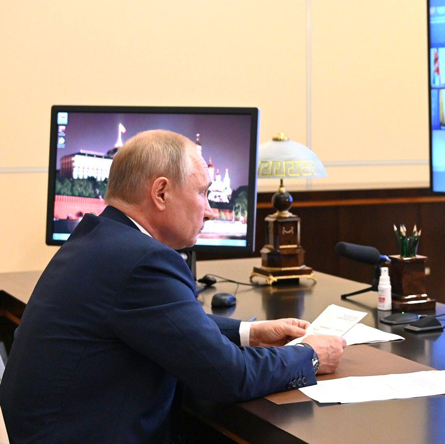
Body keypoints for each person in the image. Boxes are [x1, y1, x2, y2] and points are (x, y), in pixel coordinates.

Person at [0, 130, 346, 442]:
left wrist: (250, 332)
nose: (210, 210)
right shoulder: (143, 261)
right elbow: (228, 376)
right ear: (161, 192)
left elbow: (164, 326)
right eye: (202, 193)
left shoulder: (98, 237)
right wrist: (310, 355)